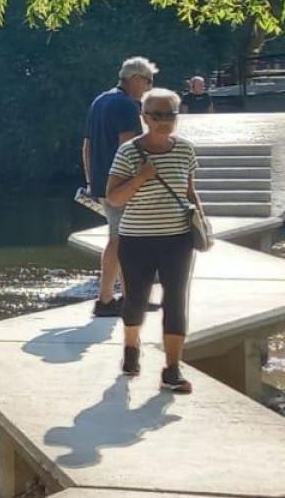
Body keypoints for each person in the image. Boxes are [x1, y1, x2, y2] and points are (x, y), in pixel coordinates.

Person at [105, 87, 202, 393]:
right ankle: (131, 348)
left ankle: (172, 369)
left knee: (176, 300)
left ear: (177, 116)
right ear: (144, 117)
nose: (163, 121)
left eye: (169, 114)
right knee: (136, 300)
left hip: (177, 238)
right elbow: (113, 198)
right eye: (156, 115)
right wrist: (140, 178)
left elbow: (189, 190)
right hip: (137, 238)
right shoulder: (129, 152)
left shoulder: (185, 149)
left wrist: (202, 220)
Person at [83, 57, 156, 317]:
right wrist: (141, 181)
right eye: (148, 81)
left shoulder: (100, 101)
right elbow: (129, 148)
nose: (148, 87)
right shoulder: (126, 106)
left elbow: (88, 146)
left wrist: (92, 181)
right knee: (119, 240)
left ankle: (130, 297)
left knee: (124, 239)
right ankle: (105, 301)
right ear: (134, 78)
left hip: (104, 183)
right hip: (122, 185)